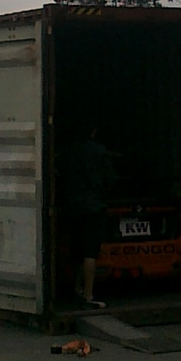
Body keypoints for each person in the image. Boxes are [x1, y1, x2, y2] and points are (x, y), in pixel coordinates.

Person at [63, 126, 115, 310]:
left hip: (74, 206)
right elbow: (110, 179)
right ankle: (88, 295)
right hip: (94, 206)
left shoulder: (70, 152)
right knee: (90, 252)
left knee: (77, 250)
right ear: (93, 132)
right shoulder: (101, 152)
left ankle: (76, 289)